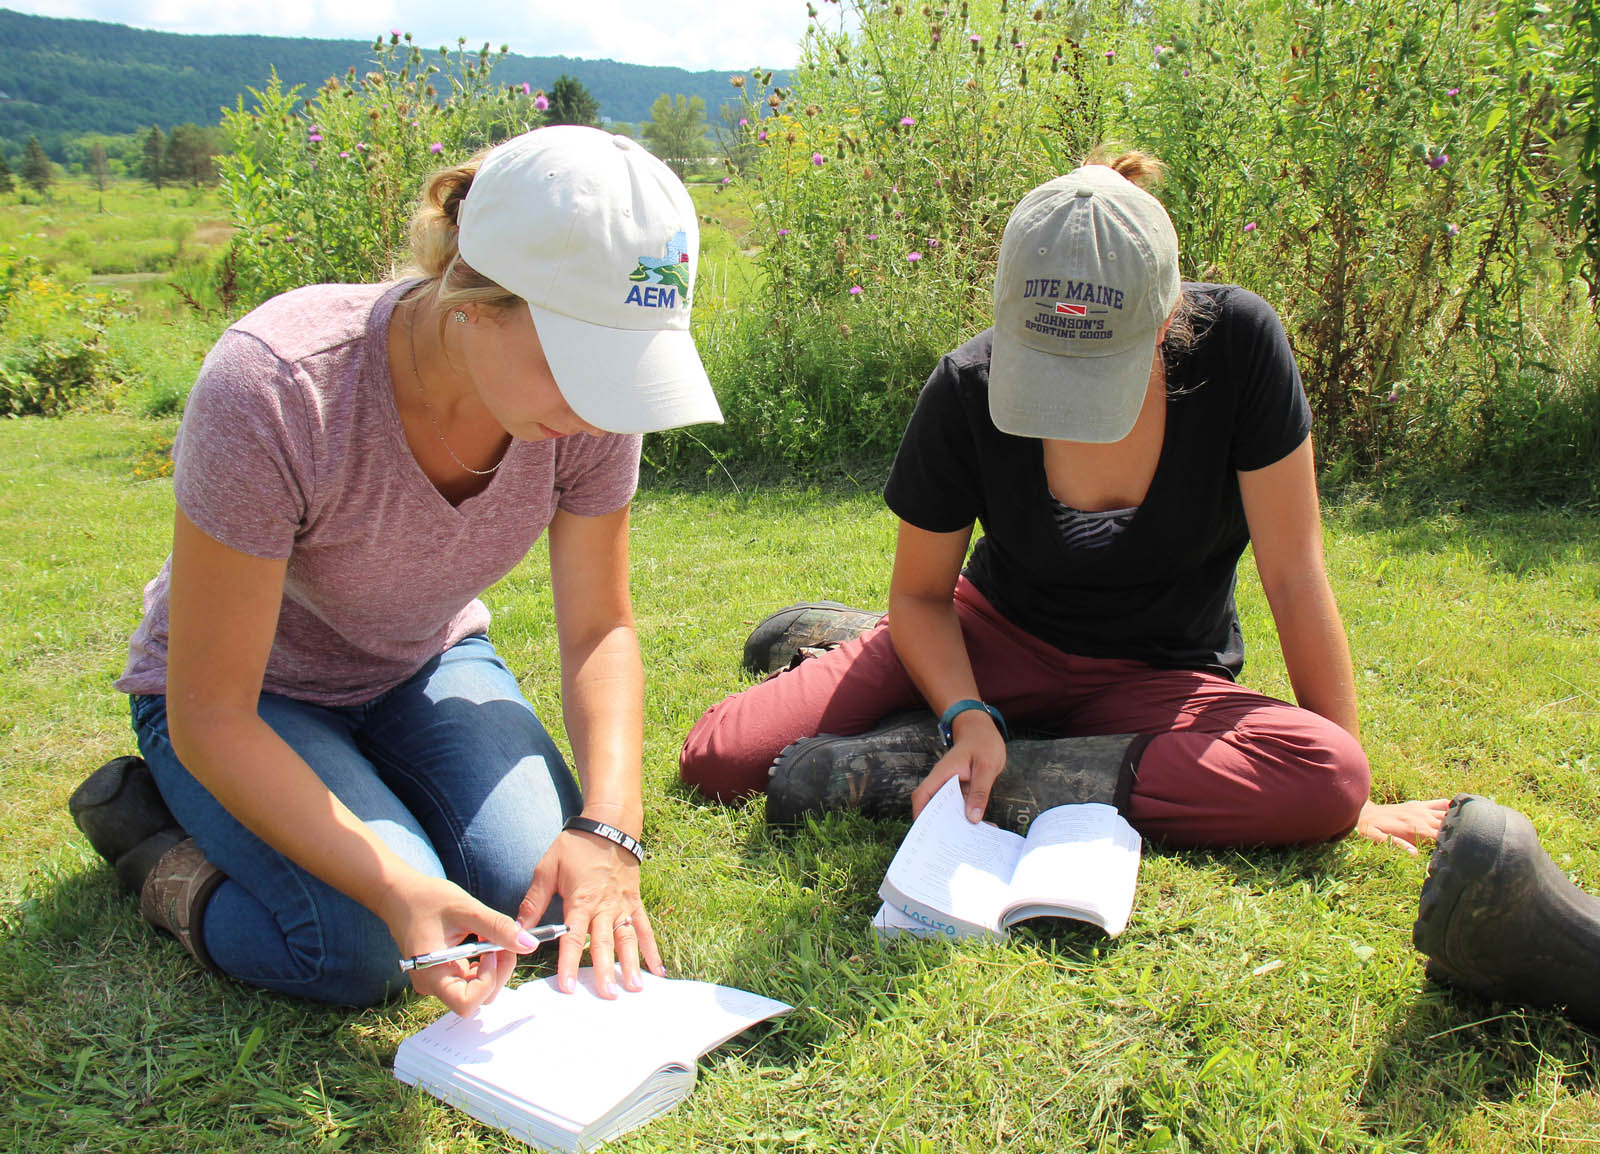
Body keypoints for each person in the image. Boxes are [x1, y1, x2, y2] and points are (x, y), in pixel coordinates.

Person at [69, 125, 723, 1017]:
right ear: (471, 297)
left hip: (424, 667)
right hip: (254, 699)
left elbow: (600, 628)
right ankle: (156, 848)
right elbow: (211, 711)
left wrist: (612, 828)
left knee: (553, 903)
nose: (603, 404)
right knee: (367, 946)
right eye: (581, 362)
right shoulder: (277, 385)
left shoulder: (594, 411)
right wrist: (391, 888)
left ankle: (374, 801)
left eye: (627, 367)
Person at [680, 152, 1446, 854]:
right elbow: (920, 592)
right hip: (992, 636)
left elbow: (1294, 574)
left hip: (1160, 678)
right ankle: (932, 697)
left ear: (1167, 315)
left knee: (1327, 776)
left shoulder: (1241, 347)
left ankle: (982, 768)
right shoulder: (965, 386)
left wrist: (1355, 805)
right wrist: (968, 711)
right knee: (721, 760)